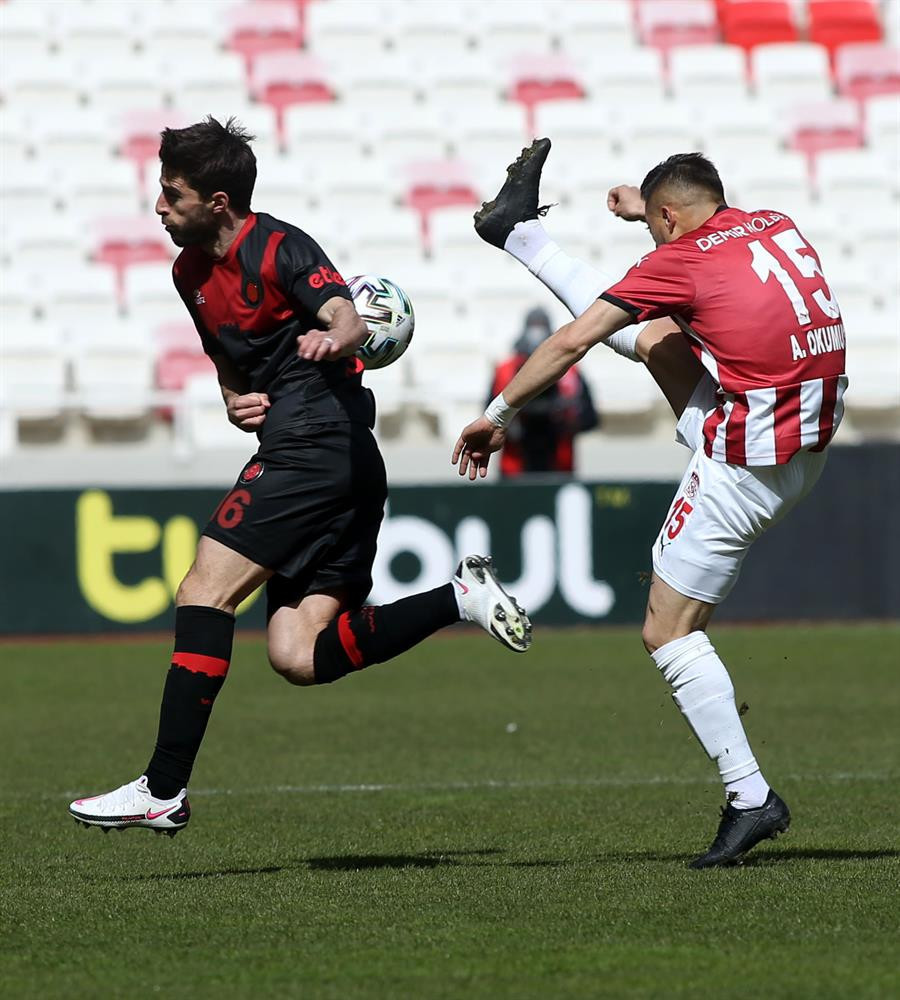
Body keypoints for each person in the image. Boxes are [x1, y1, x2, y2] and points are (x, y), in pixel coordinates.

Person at [69, 117, 531, 838]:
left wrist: (334, 334)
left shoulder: (280, 246)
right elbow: (225, 353)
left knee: (203, 591)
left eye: (172, 193)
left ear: (218, 201)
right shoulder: (188, 272)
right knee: (296, 655)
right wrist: (229, 394)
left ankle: (162, 788)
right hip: (339, 459)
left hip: (315, 447)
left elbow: (346, 313)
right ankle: (458, 597)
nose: (158, 206)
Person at [454, 141, 847, 868]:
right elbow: (701, 225)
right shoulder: (775, 222)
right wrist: (649, 209)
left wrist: (497, 412)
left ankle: (750, 796)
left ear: (669, 219)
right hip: (807, 449)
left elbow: (574, 340)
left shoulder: (680, 257)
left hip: (741, 463)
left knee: (667, 631)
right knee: (661, 334)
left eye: (654, 224)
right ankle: (518, 232)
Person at [488, 307, 598, 477]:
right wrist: (512, 423)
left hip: (559, 467)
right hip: (515, 468)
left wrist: (566, 420)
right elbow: (488, 417)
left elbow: (590, 418)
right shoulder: (505, 371)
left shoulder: (571, 373)